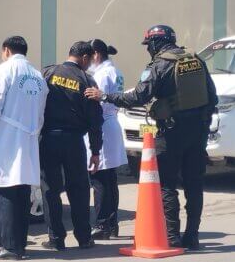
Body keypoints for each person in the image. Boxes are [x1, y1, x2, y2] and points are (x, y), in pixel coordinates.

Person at [85, 25, 217, 250]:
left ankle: (173, 236)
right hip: (199, 131)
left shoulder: (159, 65)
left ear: (156, 43)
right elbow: (211, 96)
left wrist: (104, 96)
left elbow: (138, 96)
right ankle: (192, 235)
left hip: (172, 132)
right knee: (194, 184)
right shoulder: (195, 59)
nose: (148, 50)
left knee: (167, 184)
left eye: (149, 45)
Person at [0, 36, 48, 260]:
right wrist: (33, 132)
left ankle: (9, 246)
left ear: (6, 50)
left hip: (7, 140)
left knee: (5, 192)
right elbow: (41, 112)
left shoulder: (3, 71)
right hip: (29, 138)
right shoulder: (36, 75)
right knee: (23, 193)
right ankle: (20, 245)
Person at [41, 41, 103, 251]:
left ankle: (56, 239)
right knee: (79, 190)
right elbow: (95, 120)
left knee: (50, 189)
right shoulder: (86, 80)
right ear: (84, 58)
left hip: (48, 139)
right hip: (74, 141)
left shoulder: (48, 73)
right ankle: (84, 238)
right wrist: (95, 151)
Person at [87, 39, 128, 240]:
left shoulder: (102, 74)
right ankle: (112, 223)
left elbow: (97, 102)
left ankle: (102, 224)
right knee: (110, 179)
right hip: (112, 123)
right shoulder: (115, 71)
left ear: (96, 54)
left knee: (100, 178)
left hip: (102, 124)